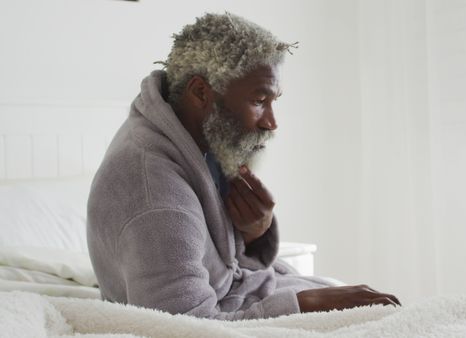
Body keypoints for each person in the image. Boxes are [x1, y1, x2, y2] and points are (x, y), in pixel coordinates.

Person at [87, 12, 400, 320]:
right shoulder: (154, 194)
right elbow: (182, 328)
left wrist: (254, 234)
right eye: (259, 100)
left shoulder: (195, 137)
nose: (272, 123)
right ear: (200, 92)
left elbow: (219, 262)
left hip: (249, 292)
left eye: (273, 101)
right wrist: (311, 303)